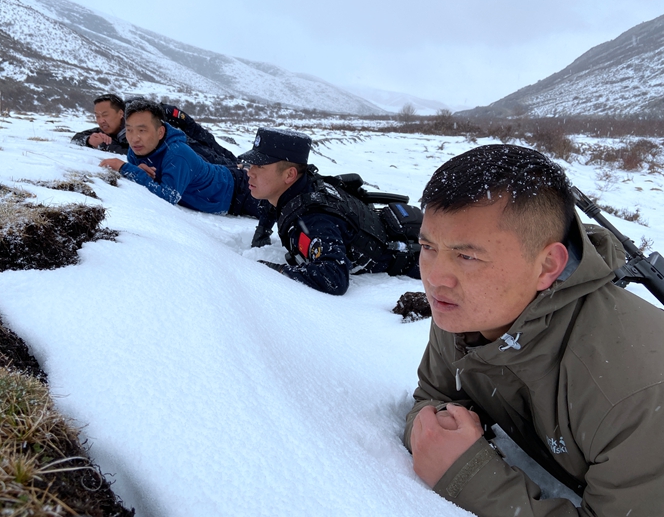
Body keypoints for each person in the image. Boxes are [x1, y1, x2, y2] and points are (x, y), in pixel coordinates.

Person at [404, 144, 664, 516]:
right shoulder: (467, 311)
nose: (435, 279)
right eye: (428, 246)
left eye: (467, 256)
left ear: (547, 266)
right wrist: (433, 429)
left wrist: (468, 476)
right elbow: (433, 395)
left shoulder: (637, 391)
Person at [239, 127, 420, 296]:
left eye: (260, 166)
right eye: (252, 164)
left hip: (413, 265)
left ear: (289, 175)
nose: (250, 172)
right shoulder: (300, 186)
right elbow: (273, 203)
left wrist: (269, 270)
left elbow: (334, 277)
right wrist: (262, 231)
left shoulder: (313, 220)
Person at [99, 98, 272, 246]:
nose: (134, 138)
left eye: (142, 130)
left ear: (160, 132)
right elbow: (149, 174)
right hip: (225, 185)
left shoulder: (177, 153)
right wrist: (137, 169)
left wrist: (124, 167)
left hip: (237, 191)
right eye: (129, 130)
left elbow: (168, 196)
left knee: (283, 205)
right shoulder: (137, 149)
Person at [72, 93, 238, 166]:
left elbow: (188, 125)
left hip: (187, 142)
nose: (101, 120)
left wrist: (106, 145)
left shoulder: (148, 116)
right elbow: (78, 137)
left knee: (217, 157)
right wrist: (89, 141)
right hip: (184, 152)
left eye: (105, 115)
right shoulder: (109, 130)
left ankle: (239, 164)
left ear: (120, 114)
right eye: (97, 116)